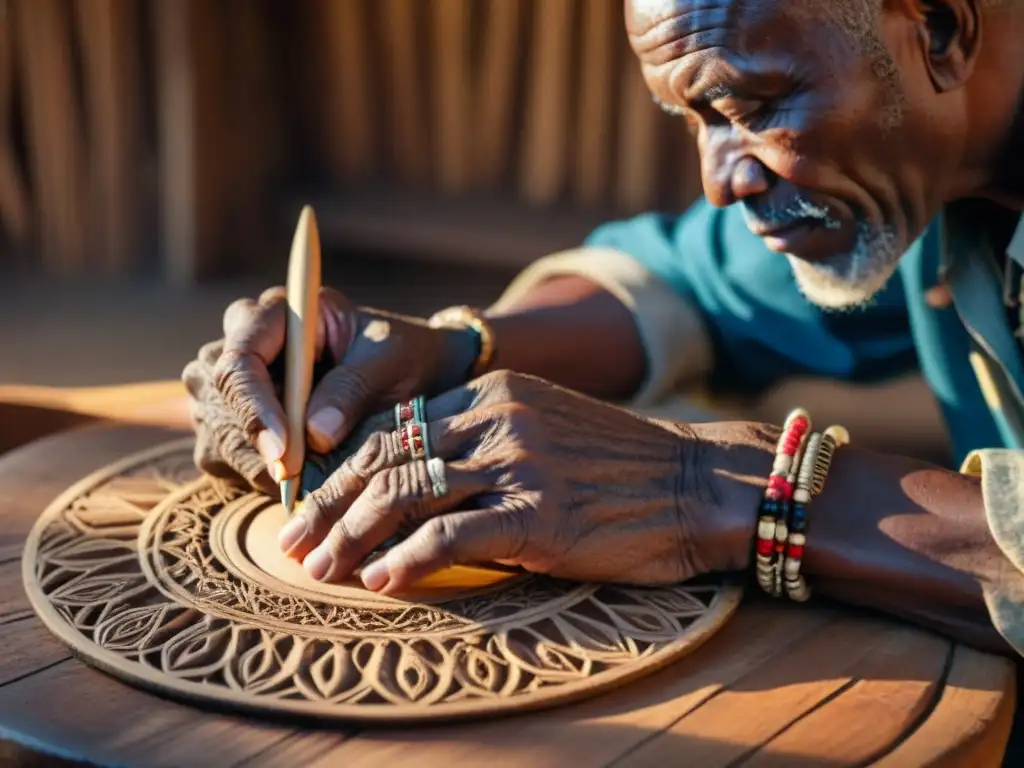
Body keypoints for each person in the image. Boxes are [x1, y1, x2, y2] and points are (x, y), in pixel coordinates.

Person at [183, 0, 1024, 663]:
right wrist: (447, 351)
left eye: (751, 105)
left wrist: (703, 485)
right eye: (693, 119)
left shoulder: (876, 171)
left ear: (941, 29)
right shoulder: (914, 176)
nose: (719, 182)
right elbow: (689, 284)